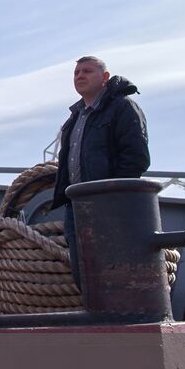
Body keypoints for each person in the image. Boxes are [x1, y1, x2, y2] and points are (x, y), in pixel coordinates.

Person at [50, 55, 150, 287]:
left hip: (108, 203)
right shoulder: (75, 118)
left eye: (87, 71)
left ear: (105, 77)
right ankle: (94, 315)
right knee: (83, 272)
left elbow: (135, 157)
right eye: (76, 73)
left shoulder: (122, 107)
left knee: (111, 269)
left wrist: (112, 194)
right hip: (75, 205)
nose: (80, 76)